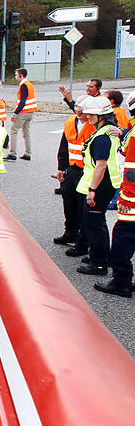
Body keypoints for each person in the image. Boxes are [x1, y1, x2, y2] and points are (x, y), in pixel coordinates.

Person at [70, 96, 121, 275]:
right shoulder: (105, 131)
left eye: (91, 114)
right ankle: (101, 257)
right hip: (101, 184)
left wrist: (92, 191)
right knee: (96, 222)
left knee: (94, 223)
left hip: (100, 185)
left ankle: (99, 264)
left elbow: (101, 165)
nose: (87, 116)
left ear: (101, 116)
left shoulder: (101, 137)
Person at [97, 90, 135, 297]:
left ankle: (121, 282)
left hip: (132, 205)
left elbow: (131, 172)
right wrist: (122, 133)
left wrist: (126, 201)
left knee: (121, 241)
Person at [52, 99, 95, 245]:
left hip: (87, 171)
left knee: (83, 206)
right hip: (72, 169)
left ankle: (84, 240)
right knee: (69, 203)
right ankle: (70, 232)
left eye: (82, 107)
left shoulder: (94, 124)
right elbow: (64, 146)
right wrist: (60, 168)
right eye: (77, 106)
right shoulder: (70, 122)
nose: (79, 110)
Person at [4, 68, 37, 161]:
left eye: (16, 75)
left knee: (14, 131)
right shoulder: (29, 84)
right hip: (30, 112)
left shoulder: (23, 85)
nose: (15, 77)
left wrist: (15, 113)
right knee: (26, 132)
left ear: (21, 76)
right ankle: (28, 153)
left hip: (23, 112)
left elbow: (22, 102)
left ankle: (12, 153)